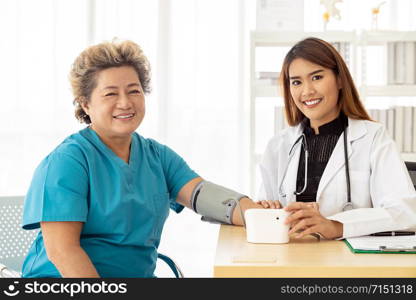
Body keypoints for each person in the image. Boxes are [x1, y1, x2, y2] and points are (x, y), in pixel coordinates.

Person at [21, 39, 264, 278]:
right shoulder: (68, 161)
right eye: (110, 94)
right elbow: (62, 251)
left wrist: (266, 217)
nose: (125, 103)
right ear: (85, 104)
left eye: (134, 91)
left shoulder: (156, 156)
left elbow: (208, 197)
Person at [257, 37, 416, 240]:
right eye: (296, 82)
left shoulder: (373, 138)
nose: (307, 91)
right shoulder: (278, 145)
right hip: (292, 256)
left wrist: (336, 226)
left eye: (316, 77)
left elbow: (405, 212)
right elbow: (266, 210)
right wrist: (267, 210)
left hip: (349, 264)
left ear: (340, 79)